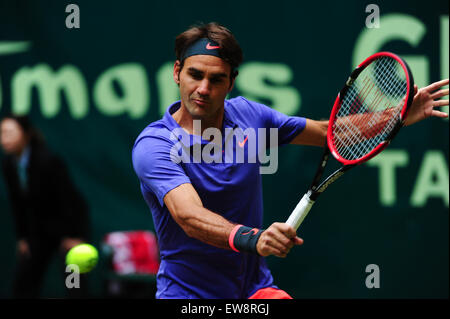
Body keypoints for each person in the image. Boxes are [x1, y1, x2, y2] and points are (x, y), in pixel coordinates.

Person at [132, 22, 449, 299]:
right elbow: (189, 216)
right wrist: (253, 238)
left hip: (255, 290)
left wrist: (398, 116)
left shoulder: (250, 116)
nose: (203, 89)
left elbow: (330, 132)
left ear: (231, 81)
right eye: (195, 75)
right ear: (177, 72)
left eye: (216, 79)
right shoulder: (155, 145)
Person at [0, 114, 90, 298]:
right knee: (24, 283)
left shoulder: (47, 160)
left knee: (74, 284)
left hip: (68, 229)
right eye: (1, 133)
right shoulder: (9, 164)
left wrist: (74, 235)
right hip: (39, 232)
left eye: (9, 133)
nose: (4, 139)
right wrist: (23, 237)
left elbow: (69, 200)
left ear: (25, 134)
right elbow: (18, 204)